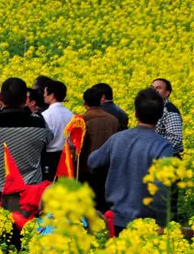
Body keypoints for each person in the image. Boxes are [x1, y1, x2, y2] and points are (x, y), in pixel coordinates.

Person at [88, 88, 175, 231]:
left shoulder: (118, 138)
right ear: (159, 117)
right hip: (147, 226)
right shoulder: (163, 146)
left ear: (135, 114)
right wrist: (163, 223)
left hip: (114, 220)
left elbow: (93, 162)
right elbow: (162, 188)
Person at [0, 78, 51, 204]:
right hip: (28, 193)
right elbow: (48, 139)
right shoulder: (39, 123)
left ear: (1, 98)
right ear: (26, 99)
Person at [79, 84, 122, 213]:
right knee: (105, 206)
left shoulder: (81, 120)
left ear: (85, 102)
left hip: (87, 170)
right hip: (109, 169)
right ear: (101, 101)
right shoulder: (113, 120)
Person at [40, 79, 74, 180]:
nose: (44, 96)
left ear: (52, 95)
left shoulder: (45, 115)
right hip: (68, 158)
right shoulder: (71, 115)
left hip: (50, 158)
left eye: (45, 93)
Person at [151, 78, 184, 158]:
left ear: (167, 93)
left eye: (158, 88)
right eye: (152, 88)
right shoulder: (154, 108)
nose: (154, 91)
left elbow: (175, 138)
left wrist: (155, 150)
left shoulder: (170, 111)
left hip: (167, 159)